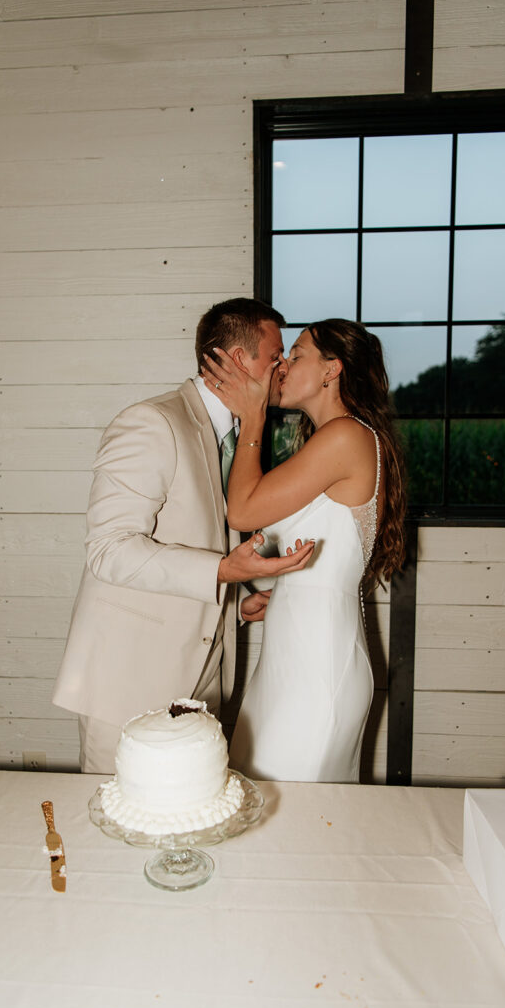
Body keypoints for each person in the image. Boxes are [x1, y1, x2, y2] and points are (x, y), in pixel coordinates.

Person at [53, 298, 315, 773]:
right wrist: (221, 570)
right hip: (127, 685)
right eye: (276, 355)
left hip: (200, 684)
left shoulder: (236, 437)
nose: (283, 367)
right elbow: (109, 551)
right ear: (239, 360)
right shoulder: (153, 423)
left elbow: (194, 539)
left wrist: (236, 602)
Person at [202, 318, 407, 782]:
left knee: (293, 813)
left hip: (316, 663)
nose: (283, 366)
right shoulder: (325, 440)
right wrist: (279, 589)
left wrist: (253, 416)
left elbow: (243, 511)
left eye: (295, 356)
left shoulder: (346, 436)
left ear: (331, 370)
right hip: (291, 653)